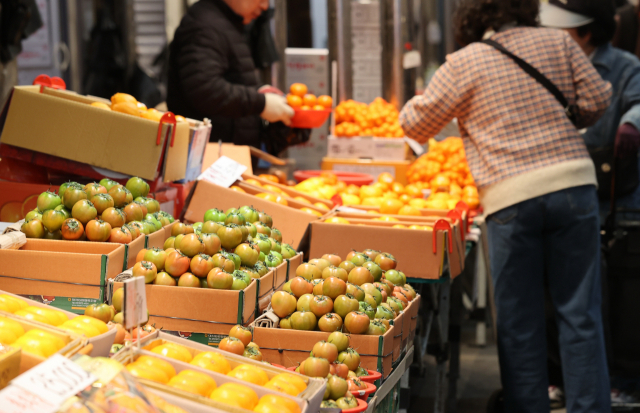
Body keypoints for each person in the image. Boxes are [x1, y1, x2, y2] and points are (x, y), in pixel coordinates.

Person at [399, 0, 613, 411]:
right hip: (574, 185)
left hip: (512, 196)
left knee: (519, 324)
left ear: (470, 16)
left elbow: (415, 124)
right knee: (580, 314)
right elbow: (598, 99)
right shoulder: (560, 43)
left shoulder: (466, 61)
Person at [540, 0, 640, 406]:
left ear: (585, 32)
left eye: (565, 30)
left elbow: (638, 100)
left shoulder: (625, 66)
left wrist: (632, 122)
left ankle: (621, 378)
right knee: (560, 294)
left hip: (614, 195)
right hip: (562, 189)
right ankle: (561, 375)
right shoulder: (553, 63)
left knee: (612, 296)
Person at [167, 0, 294, 149]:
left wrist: (259, 92)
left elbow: (232, 79)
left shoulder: (228, 22)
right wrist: (261, 103)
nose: (265, 6)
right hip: (208, 160)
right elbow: (205, 89)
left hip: (227, 157)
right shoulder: (205, 25)